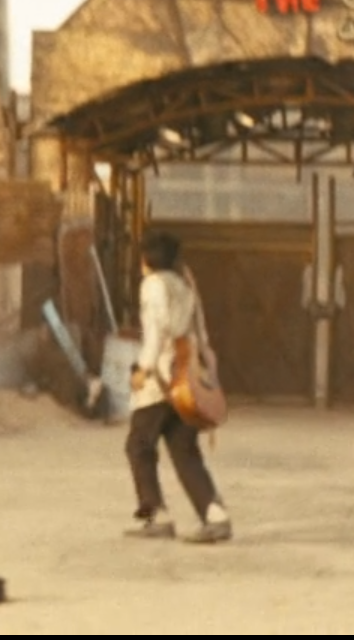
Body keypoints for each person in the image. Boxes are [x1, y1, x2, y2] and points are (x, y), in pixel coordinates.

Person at [124, 230, 232, 544]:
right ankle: (215, 515)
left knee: (139, 445)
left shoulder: (154, 284)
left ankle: (157, 515)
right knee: (184, 450)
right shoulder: (186, 282)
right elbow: (201, 332)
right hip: (187, 378)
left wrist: (143, 368)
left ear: (147, 259)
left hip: (162, 378)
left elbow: (156, 330)